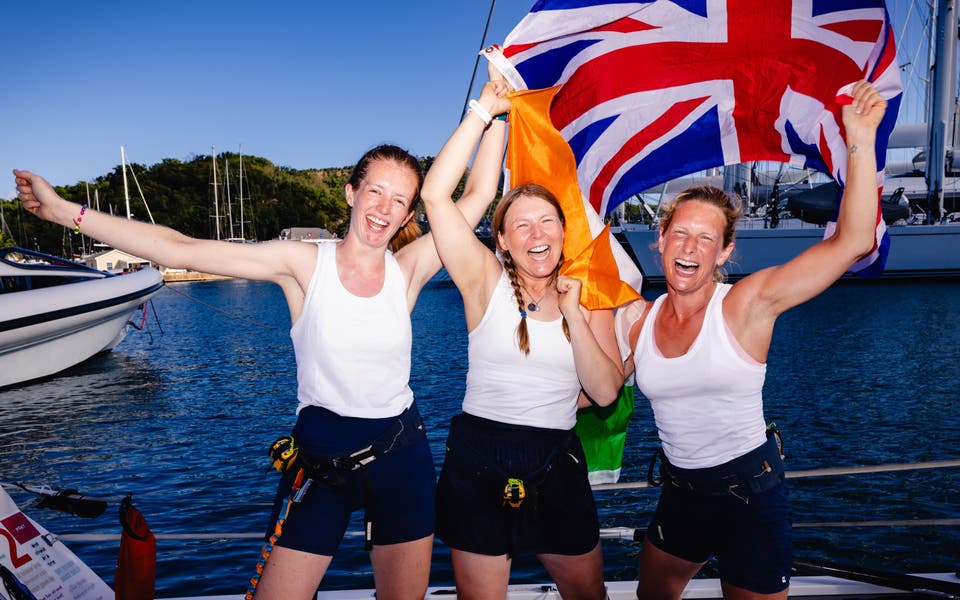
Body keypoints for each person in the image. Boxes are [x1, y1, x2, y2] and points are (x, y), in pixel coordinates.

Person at [13, 130, 504, 599]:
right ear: (351, 193)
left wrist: (498, 107)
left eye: (400, 200)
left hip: (401, 457)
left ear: (409, 214)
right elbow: (179, 247)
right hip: (321, 466)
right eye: (375, 191)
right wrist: (62, 211)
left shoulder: (409, 269)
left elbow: (479, 193)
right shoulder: (304, 263)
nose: (384, 208)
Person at [617, 80, 887, 600]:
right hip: (680, 493)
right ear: (661, 239)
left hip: (750, 494)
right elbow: (596, 387)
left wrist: (860, 137)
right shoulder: (640, 321)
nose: (690, 246)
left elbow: (853, 240)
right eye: (679, 233)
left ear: (724, 252)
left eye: (705, 238)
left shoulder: (745, 304)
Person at [420, 75, 624, 599]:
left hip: (558, 457)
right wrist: (484, 112)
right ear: (504, 243)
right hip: (479, 455)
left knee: (590, 595)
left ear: (562, 231)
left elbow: (604, 394)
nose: (538, 235)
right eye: (522, 227)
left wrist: (574, 314)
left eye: (547, 223)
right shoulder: (484, 283)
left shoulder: (587, 297)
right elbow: (435, 196)